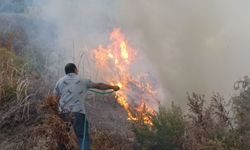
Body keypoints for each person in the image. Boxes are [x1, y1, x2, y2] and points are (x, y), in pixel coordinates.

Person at [54, 63, 120, 150]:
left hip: (63, 113)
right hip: (78, 113)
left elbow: (54, 99)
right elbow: (99, 85)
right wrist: (113, 87)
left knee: (63, 137)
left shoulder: (59, 82)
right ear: (75, 70)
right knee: (83, 138)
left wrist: (57, 113)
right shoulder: (83, 80)